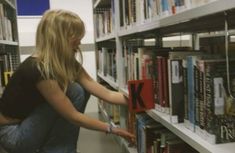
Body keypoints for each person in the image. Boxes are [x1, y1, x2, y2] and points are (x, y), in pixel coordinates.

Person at [0, 9, 135, 153]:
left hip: (29, 123)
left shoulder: (65, 63)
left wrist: (140, 100)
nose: (80, 41)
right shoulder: (38, 68)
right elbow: (73, 116)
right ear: (59, 38)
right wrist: (112, 129)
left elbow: (106, 93)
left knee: (80, 89)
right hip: (14, 135)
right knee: (74, 90)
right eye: (76, 36)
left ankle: (59, 149)